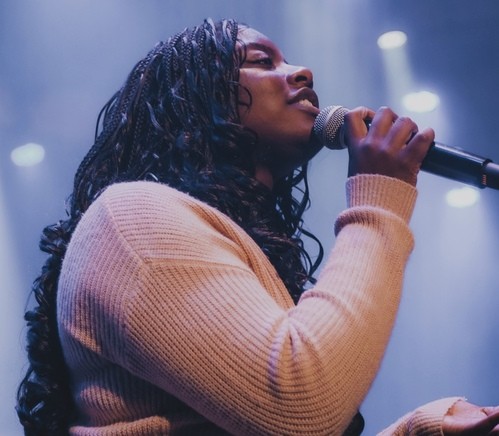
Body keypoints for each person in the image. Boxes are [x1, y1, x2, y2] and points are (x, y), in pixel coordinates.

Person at [16, 18, 499, 436]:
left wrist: (419, 429)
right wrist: (379, 200)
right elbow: (302, 409)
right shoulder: (131, 218)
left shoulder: (222, 239)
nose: (304, 72)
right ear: (195, 99)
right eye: (262, 61)